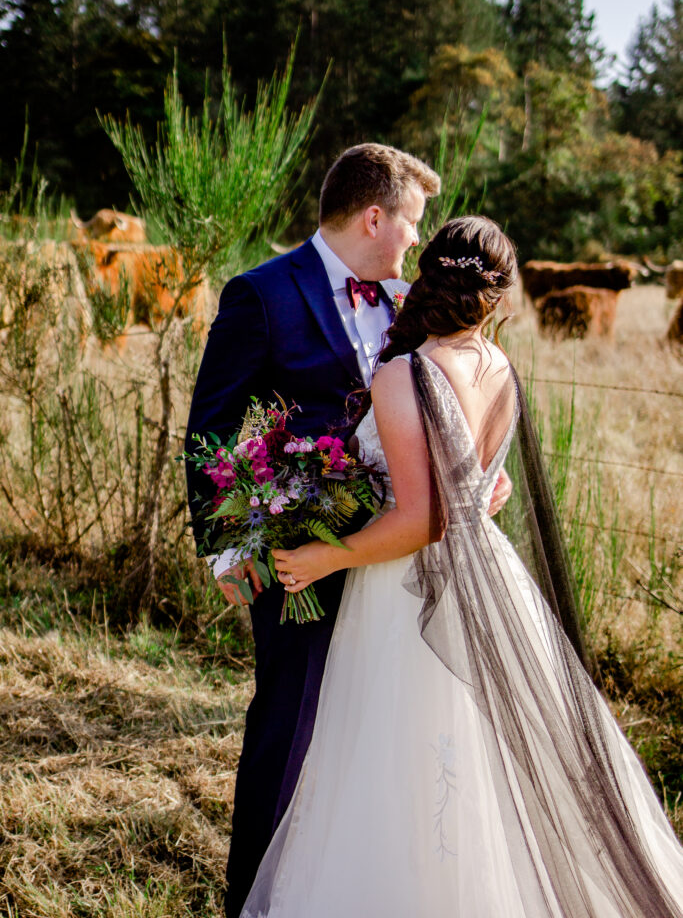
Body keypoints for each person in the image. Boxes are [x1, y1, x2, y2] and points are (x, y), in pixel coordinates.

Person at [237, 216, 683, 918]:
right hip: (491, 579)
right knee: (483, 762)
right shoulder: (499, 367)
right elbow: (473, 489)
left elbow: (419, 521)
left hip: (401, 594)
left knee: (396, 759)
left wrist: (325, 554)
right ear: (499, 296)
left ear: (429, 277)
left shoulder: (402, 374)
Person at [186, 143, 488, 918]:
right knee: (288, 725)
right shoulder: (261, 294)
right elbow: (211, 427)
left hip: (396, 556)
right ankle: (251, 899)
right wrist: (224, 547)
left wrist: (475, 481)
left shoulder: (408, 302)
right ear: (373, 216)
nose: (415, 244)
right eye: (410, 225)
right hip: (298, 552)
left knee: (383, 735)